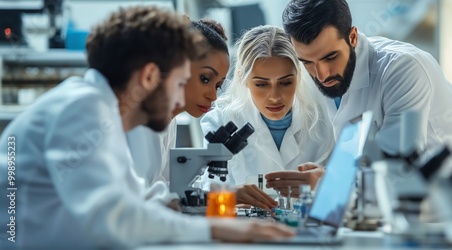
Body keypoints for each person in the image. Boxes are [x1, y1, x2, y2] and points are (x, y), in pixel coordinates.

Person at [0, 7, 293, 249]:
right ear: (151, 75)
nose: (181, 98)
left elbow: (140, 197)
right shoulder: (83, 108)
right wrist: (215, 231)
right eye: (180, 83)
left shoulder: (100, 111)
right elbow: (115, 216)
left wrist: (210, 213)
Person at [265, 0, 452, 196]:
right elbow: (365, 162)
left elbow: (397, 168)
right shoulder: (330, 78)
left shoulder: (404, 68)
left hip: (446, 200)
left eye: (330, 57)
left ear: (353, 37)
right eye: (307, 62)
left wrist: (327, 182)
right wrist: (324, 175)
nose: (322, 75)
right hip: (386, 206)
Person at [200, 25, 335, 210]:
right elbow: (206, 195)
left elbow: (351, 188)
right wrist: (230, 197)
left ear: (299, 75)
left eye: (286, 82)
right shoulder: (220, 122)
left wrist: (324, 184)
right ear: (242, 78)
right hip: (247, 234)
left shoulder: (326, 117)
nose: (275, 96)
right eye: (262, 84)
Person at [126, 18, 230, 207]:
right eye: (205, 79)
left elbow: (165, 188)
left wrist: (213, 194)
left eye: (218, 86)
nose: (213, 96)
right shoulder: (137, 119)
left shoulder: (169, 121)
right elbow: (135, 197)